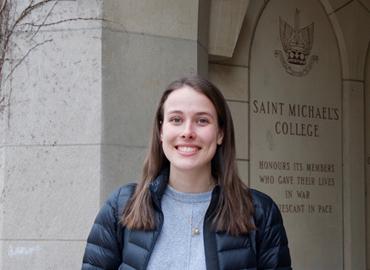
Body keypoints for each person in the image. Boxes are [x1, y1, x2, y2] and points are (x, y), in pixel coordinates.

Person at [82, 75, 292, 270]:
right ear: (161, 131)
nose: (187, 132)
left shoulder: (260, 213)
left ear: (220, 133)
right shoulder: (120, 207)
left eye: (202, 120)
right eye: (176, 120)